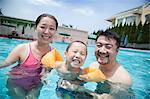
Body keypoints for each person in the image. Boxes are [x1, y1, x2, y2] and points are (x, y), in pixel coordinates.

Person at [0, 13, 59, 99]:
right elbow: (5, 63)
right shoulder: (22, 49)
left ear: (55, 32)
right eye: (43, 27)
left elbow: (56, 72)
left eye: (52, 28)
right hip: (16, 84)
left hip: (35, 86)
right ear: (36, 28)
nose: (47, 32)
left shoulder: (54, 54)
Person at [79, 31, 134, 99]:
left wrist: (83, 91)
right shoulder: (94, 66)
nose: (102, 50)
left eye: (108, 47)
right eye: (99, 45)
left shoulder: (123, 79)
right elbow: (80, 81)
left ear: (117, 51)